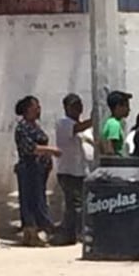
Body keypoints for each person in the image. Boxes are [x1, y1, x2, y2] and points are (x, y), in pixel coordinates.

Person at [14, 95, 60, 247]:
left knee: (38, 198)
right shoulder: (23, 127)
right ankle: (32, 232)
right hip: (29, 168)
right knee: (31, 200)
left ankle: (37, 231)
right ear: (28, 109)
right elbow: (30, 148)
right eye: (36, 106)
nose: (39, 109)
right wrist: (51, 150)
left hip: (39, 169)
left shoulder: (34, 126)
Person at [55, 93, 93, 246]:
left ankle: (75, 232)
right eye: (74, 106)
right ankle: (70, 234)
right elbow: (77, 128)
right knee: (73, 205)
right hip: (68, 171)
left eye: (79, 105)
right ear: (66, 108)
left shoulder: (83, 126)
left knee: (81, 204)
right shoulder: (64, 123)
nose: (78, 109)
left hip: (81, 171)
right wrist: (94, 119)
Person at [101, 90, 132, 156]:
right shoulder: (114, 124)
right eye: (126, 106)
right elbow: (110, 147)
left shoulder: (112, 122)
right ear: (118, 107)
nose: (129, 109)